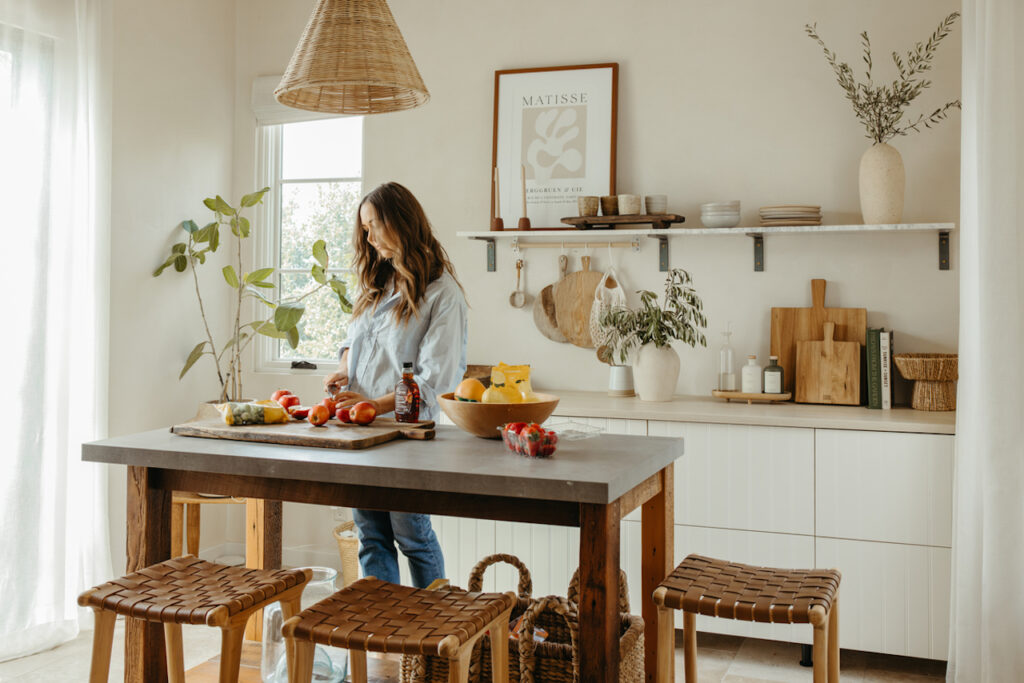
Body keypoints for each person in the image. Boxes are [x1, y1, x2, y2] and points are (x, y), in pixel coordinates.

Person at [323, 181, 467, 588]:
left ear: (399, 223)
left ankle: (432, 640)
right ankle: (386, 639)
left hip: (406, 437)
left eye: (373, 226)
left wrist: (372, 406)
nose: (367, 237)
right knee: (371, 539)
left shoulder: (442, 295)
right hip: (361, 434)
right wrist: (343, 369)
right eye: (364, 228)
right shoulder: (377, 281)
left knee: (412, 537)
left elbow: (434, 382)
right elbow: (353, 339)